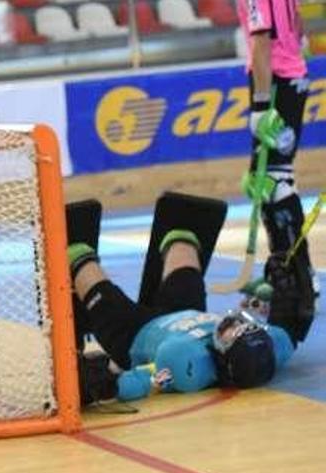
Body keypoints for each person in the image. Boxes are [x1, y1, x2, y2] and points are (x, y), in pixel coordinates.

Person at [70, 197, 315, 405]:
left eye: (229, 334)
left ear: (224, 362)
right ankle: (179, 237)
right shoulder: (272, 347)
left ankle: (74, 252)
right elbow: (289, 330)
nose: (229, 323)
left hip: (134, 333)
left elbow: (148, 379)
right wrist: (289, 296)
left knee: (93, 280)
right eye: (239, 326)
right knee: (184, 241)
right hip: (183, 310)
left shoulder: (186, 366)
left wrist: (106, 386)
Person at [236, 0, 318, 300]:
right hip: (289, 75)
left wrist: (260, 104)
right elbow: (297, 24)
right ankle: (291, 271)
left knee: (272, 181)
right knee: (270, 178)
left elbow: (260, 42)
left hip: (275, 81)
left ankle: (294, 276)